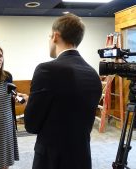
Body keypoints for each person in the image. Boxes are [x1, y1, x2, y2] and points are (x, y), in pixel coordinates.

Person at [18, 14, 102, 169]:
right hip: (81, 158)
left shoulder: (46, 70)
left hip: (52, 160)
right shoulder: (93, 74)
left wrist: (30, 106)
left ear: (56, 36)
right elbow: (68, 109)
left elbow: (31, 125)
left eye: (50, 36)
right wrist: (34, 101)